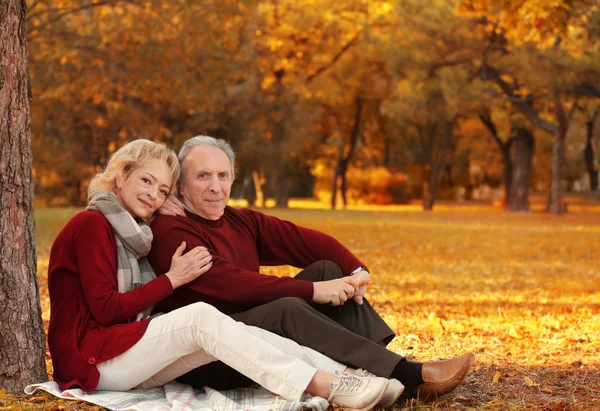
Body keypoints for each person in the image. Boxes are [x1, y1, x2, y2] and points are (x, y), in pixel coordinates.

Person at [47, 139, 402, 411]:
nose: (153, 195)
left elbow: (302, 240)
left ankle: (354, 379)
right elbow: (108, 310)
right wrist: (171, 280)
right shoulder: (91, 224)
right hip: (91, 360)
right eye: (145, 181)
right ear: (121, 174)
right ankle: (324, 384)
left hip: (130, 357)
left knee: (241, 331)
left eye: (163, 191)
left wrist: (172, 207)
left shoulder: (136, 231)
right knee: (201, 316)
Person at [148, 135, 475, 401]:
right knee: (287, 307)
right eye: (202, 176)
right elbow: (230, 284)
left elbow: (304, 241)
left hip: (254, 330)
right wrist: (313, 291)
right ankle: (407, 376)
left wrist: (356, 269)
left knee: (326, 269)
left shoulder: (238, 219)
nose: (215, 186)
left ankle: (377, 362)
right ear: (180, 185)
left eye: (223, 175)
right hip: (212, 354)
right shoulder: (173, 228)